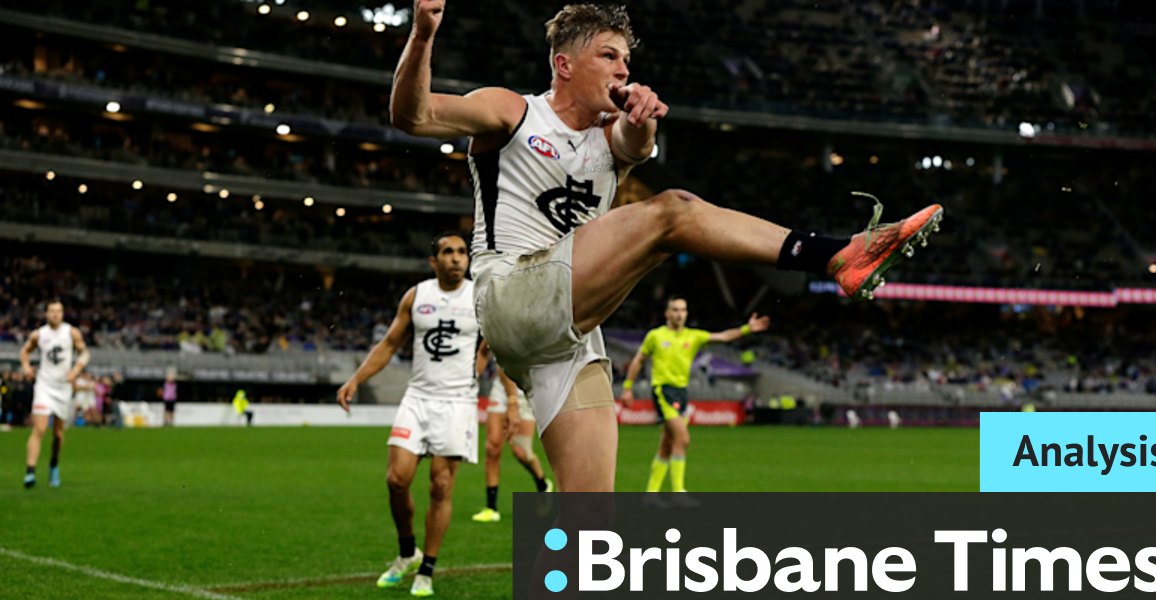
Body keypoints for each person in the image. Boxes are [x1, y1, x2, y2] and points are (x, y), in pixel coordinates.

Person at [390, 1, 942, 491]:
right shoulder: (512, 111)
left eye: (626, 60)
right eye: (608, 56)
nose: (623, 69)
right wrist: (422, 34)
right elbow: (412, 116)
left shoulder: (611, 134)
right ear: (564, 65)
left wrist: (641, 120)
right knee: (673, 212)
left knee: (588, 526)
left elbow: (633, 142)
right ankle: (830, 254)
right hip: (511, 291)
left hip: (569, 334)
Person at [337, 231, 486, 598]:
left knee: (440, 485)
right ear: (433, 261)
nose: (456, 258)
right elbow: (390, 343)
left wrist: (483, 376)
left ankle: (427, 570)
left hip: (457, 403)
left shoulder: (481, 297)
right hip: (417, 398)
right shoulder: (417, 296)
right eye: (448, 252)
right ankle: (407, 552)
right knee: (396, 480)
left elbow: (495, 345)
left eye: (462, 252)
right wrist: (356, 379)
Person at [621, 296, 768, 498]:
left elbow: (723, 337)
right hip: (663, 390)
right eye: (675, 309)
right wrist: (628, 387)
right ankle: (678, 491)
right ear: (667, 313)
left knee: (667, 444)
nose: (679, 314)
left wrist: (747, 329)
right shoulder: (655, 336)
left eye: (683, 310)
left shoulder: (694, 336)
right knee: (683, 438)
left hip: (682, 392)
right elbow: (639, 359)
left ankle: (651, 494)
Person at [20, 300, 90, 488]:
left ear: (63, 313)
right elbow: (24, 351)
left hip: (63, 387)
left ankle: (53, 464)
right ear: (46, 313)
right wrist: (26, 366)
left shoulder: (71, 332)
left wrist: (76, 370)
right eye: (52, 311)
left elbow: (84, 353)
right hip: (44, 385)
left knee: (58, 434)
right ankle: (30, 471)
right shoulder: (39, 334)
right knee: (40, 429)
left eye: (59, 311)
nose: (55, 314)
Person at [472, 364, 553, 524]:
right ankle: (491, 508)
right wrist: (472, 378)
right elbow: (484, 351)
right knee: (492, 447)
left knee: (521, 451)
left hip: (528, 391)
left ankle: (542, 483)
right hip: (501, 390)